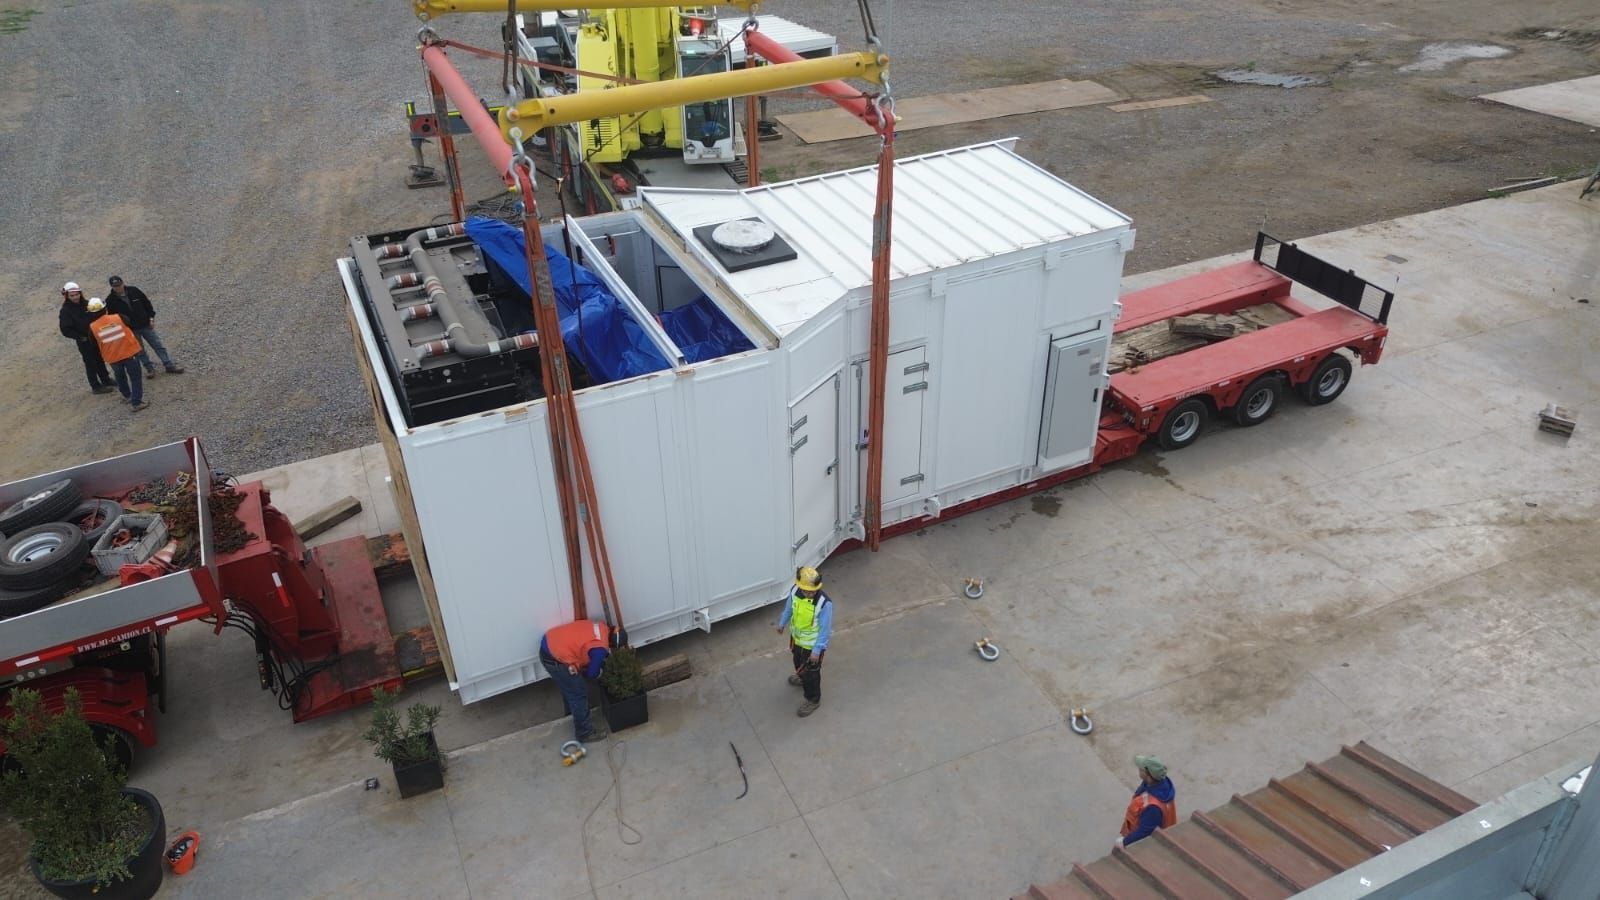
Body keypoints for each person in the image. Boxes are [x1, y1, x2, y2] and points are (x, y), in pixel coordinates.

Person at [539, 619, 615, 742]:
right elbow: (591, 674)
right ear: (611, 643)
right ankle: (584, 733)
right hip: (556, 659)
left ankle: (571, 713)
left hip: (549, 643)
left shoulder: (601, 627)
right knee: (578, 693)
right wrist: (600, 673)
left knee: (569, 687)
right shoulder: (600, 649)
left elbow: (582, 645)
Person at [775, 566, 833, 718]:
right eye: (806, 590)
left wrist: (817, 651)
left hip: (812, 646)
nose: (810, 593)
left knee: (811, 673)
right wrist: (782, 623)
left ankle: (813, 700)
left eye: (813, 591)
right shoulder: (795, 591)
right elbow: (789, 609)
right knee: (797, 661)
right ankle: (801, 677)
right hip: (797, 639)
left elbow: (825, 630)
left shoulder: (824, 604)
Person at [105, 275, 183, 375]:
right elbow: (113, 318)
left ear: (123, 283)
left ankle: (169, 365)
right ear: (112, 286)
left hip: (145, 325)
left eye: (119, 285)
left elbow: (147, 304)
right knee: (139, 351)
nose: (118, 287)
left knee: (158, 345)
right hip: (131, 330)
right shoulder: (110, 300)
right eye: (115, 286)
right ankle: (149, 369)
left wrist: (151, 318)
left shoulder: (134, 291)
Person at [87, 298, 149, 412]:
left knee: (120, 377)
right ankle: (136, 402)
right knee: (135, 378)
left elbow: (93, 343)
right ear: (105, 309)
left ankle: (127, 396)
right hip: (129, 353)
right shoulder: (118, 317)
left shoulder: (92, 327)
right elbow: (129, 323)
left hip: (113, 358)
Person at [58, 282, 114, 394]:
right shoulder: (65, 311)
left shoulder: (88, 304)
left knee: (99, 359)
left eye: (77, 294)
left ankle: (106, 379)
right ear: (67, 296)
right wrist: (80, 337)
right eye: (72, 295)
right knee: (90, 363)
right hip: (84, 341)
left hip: (95, 338)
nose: (75, 297)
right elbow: (65, 329)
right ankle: (95, 386)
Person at [1117, 755, 1177, 847]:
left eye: (1141, 769)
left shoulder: (1153, 808)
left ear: (1148, 775)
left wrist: (1124, 842)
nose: (1139, 769)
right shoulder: (1156, 782)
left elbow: (1144, 832)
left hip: (1143, 842)